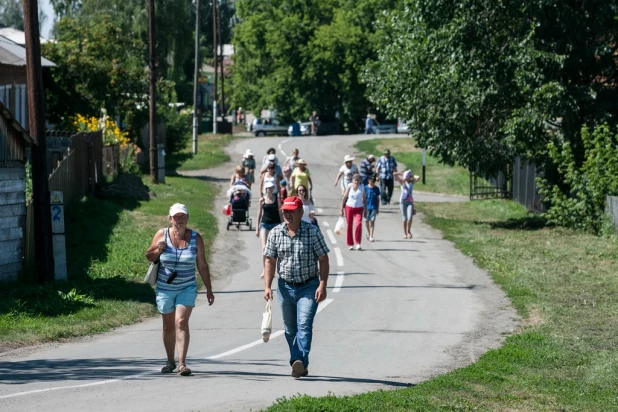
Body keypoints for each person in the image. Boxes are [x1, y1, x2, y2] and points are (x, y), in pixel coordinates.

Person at [145, 203, 215, 376]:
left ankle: (182, 363)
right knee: (168, 326)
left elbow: (202, 265)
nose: (180, 220)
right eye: (176, 217)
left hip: (187, 287)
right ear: (170, 219)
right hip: (164, 288)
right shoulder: (162, 234)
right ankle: (170, 361)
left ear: (187, 218)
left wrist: (209, 289)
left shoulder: (196, 238)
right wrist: (158, 251)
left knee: (181, 322)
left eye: (183, 216)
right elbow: (148, 255)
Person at [263, 196, 330, 379]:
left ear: (301, 212)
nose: (287, 214)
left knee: (304, 325)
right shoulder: (276, 233)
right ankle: (302, 365)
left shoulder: (312, 232)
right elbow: (269, 260)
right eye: (285, 211)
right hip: (285, 287)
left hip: (309, 286)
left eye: (291, 211)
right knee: (290, 329)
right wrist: (267, 286)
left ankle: (297, 359)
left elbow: (323, 259)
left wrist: (322, 284)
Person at [255, 181, 282, 278]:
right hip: (265, 224)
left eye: (271, 188)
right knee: (264, 248)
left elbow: (280, 212)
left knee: (276, 248)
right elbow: (259, 214)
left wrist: (283, 225)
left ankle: (276, 269)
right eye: (268, 188)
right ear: (265, 190)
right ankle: (265, 270)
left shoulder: (277, 198)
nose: (270, 189)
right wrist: (257, 228)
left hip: (275, 224)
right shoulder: (262, 200)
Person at [340, 174, 367, 250]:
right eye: (355, 180)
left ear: (360, 181)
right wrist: (341, 209)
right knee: (349, 226)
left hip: (359, 208)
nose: (356, 182)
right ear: (352, 180)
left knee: (358, 224)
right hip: (349, 207)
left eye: (358, 180)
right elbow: (344, 197)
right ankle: (350, 244)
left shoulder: (362, 187)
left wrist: (366, 210)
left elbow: (364, 199)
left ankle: (358, 243)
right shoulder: (349, 186)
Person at [394, 170, 420, 238]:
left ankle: (409, 231)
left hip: (410, 202)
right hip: (403, 201)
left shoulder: (411, 183)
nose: (405, 178)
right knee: (404, 217)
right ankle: (404, 233)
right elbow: (394, 174)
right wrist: (402, 174)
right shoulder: (402, 182)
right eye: (405, 177)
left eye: (406, 177)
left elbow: (418, 177)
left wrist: (411, 175)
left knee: (410, 217)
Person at [364, 176, 380, 242]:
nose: (372, 182)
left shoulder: (376, 189)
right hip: (366, 207)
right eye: (371, 181)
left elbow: (378, 198)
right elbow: (363, 198)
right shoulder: (365, 188)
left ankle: (371, 235)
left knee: (372, 221)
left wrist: (378, 208)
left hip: (373, 207)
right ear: (368, 181)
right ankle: (369, 232)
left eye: (373, 181)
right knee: (366, 221)